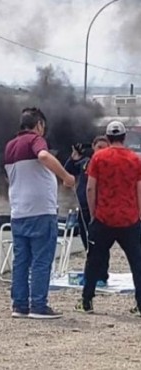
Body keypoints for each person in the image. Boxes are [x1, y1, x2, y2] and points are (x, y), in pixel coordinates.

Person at [4, 107, 75, 319]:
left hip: (18, 211)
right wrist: (65, 176)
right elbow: (43, 156)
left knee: (21, 260)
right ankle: (38, 305)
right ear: (39, 125)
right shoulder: (36, 140)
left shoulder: (9, 146)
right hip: (41, 210)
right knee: (42, 260)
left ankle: (19, 305)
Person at [75, 121, 141, 316]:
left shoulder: (98, 158)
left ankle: (87, 301)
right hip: (129, 219)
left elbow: (90, 187)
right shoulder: (135, 159)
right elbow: (139, 189)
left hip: (104, 217)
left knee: (94, 260)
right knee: (137, 263)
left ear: (108, 137)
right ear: (124, 137)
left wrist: (94, 214)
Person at [64, 136, 110, 287]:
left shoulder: (109, 164)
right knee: (88, 243)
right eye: (99, 147)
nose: (101, 151)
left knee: (100, 243)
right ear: (93, 147)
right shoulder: (85, 163)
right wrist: (73, 158)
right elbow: (67, 171)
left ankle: (102, 275)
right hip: (83, 210)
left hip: (100, 209)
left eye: (104, 147)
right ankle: (93, 274)